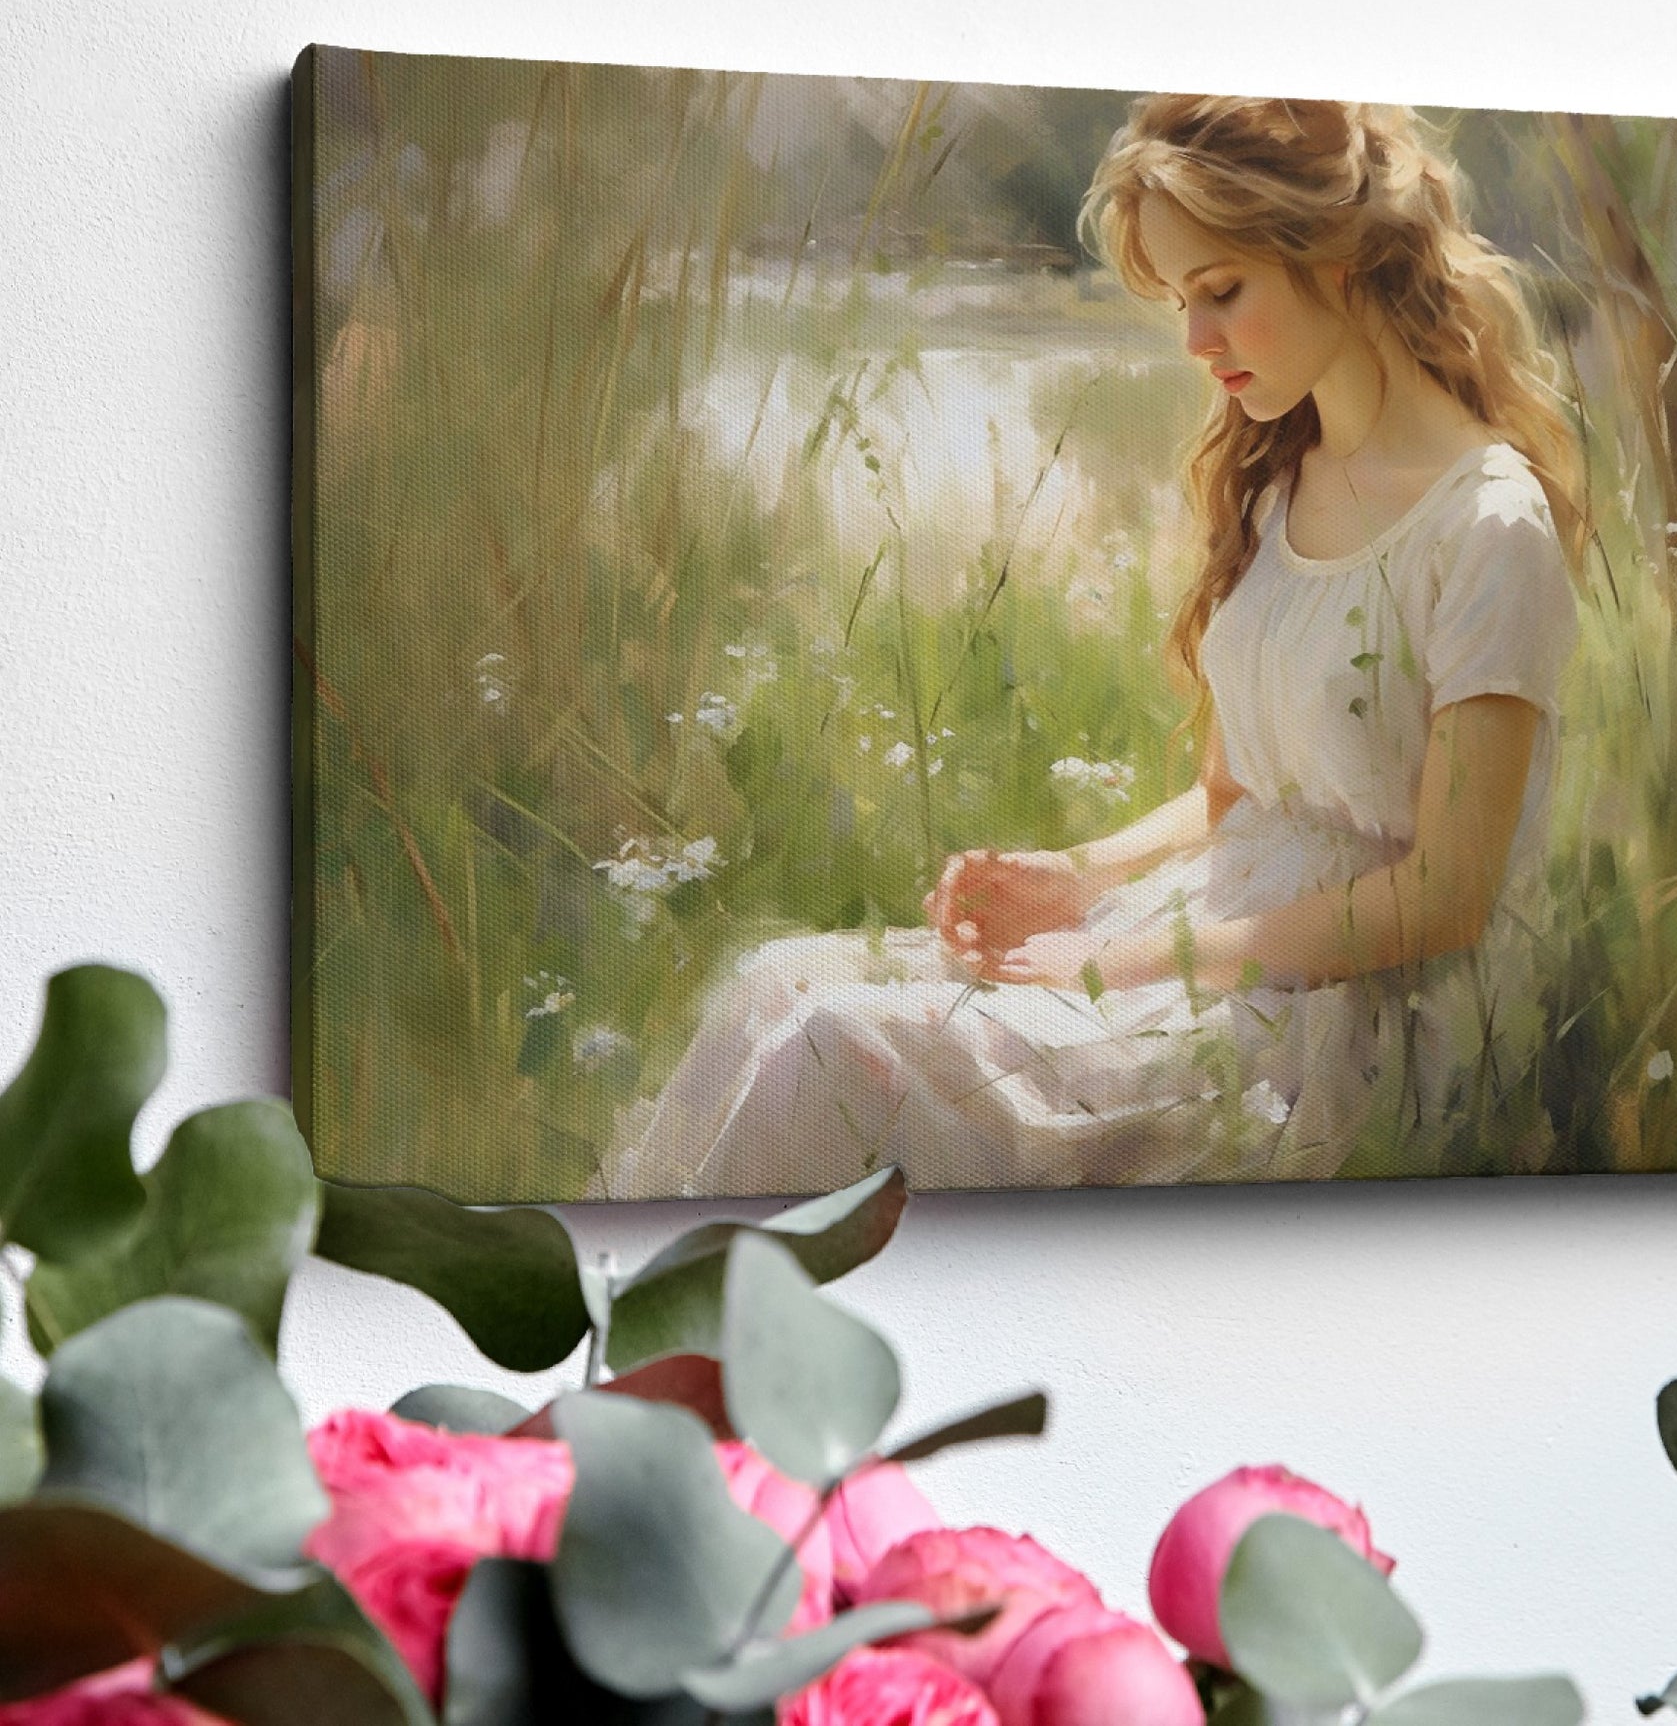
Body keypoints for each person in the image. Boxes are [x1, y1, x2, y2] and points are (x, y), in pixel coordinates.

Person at [605, 95, 1584, 1199]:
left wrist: (1122, 960)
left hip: (1334, 1018)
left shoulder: (1485, 523)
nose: (1193, 341)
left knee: (829, 1048)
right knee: (768, 986)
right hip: (1198, 935)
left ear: (1340, 256)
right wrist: (1074, 879)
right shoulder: (1283, 483)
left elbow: (1447, 894)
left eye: (1219, 292)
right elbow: (1233, 795)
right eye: (1178, 301)